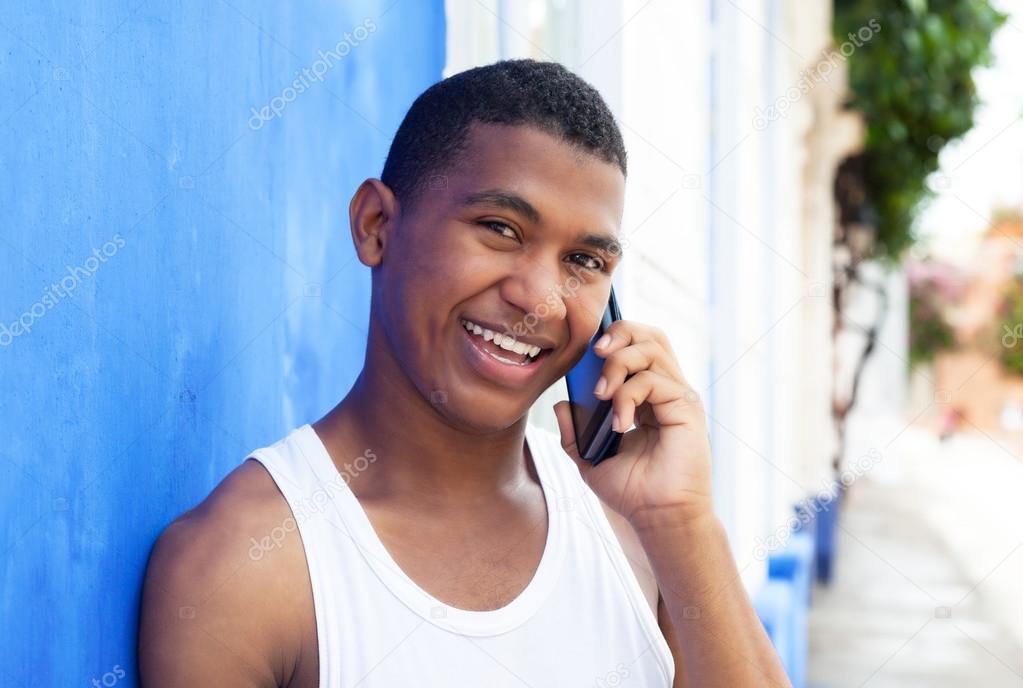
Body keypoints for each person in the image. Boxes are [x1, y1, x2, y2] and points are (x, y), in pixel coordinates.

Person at [138, 58, 790, 687]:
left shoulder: (635, 533)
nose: (541, 298)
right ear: (374, 226)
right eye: (500, 228)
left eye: (584, 261)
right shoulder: (246, 568)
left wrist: (681, 523)